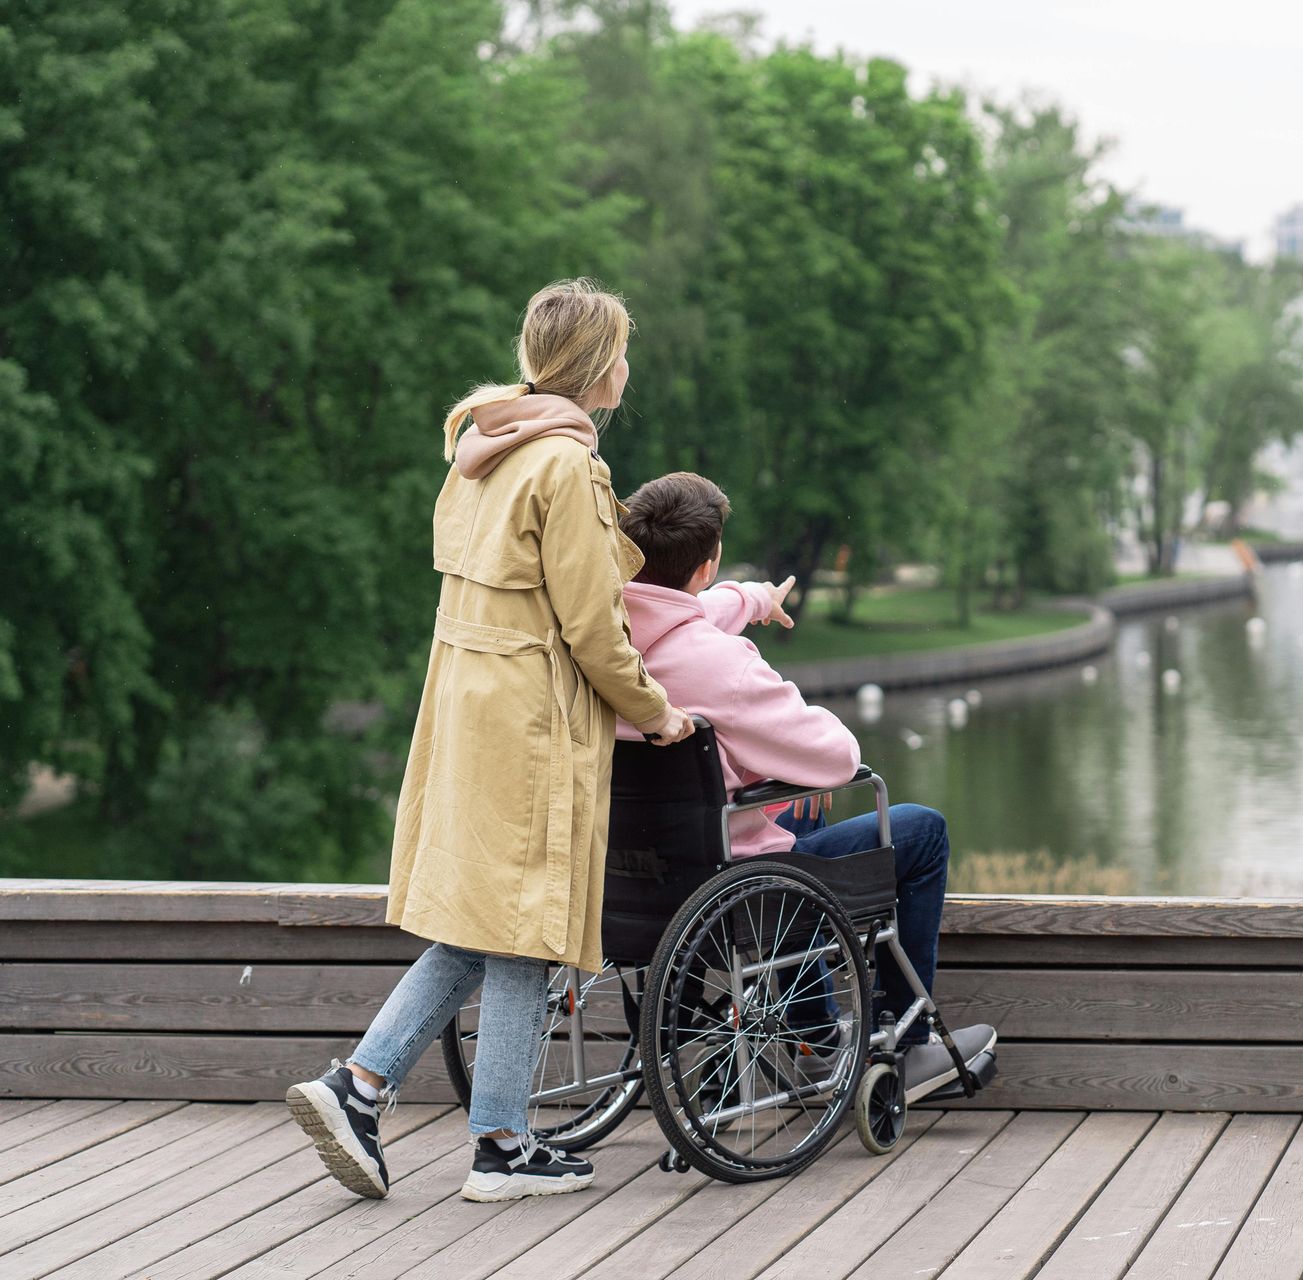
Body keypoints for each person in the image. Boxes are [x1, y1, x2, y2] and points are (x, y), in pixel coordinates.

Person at [286, 280, 695, 1204]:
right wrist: (658, 709)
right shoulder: (566, 467)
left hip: (470, 708)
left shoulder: (478, 455)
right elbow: (594, 627)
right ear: (598, 366)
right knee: (523, 926)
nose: (628, 367)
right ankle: (491, 1144)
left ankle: (370, 1090)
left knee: (494, 922)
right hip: (533, 720)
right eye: (622, 351)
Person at [613, 471, 995, 1100]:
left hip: (634, 882)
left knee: (801, 819)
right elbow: (838, 757)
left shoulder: (598, 641)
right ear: (706, 564)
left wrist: (753, 599)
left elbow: (683, 609)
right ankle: (906, 1045)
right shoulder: (722, 665)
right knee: (922, 829)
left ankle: (814, 1035)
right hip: (734, 891)